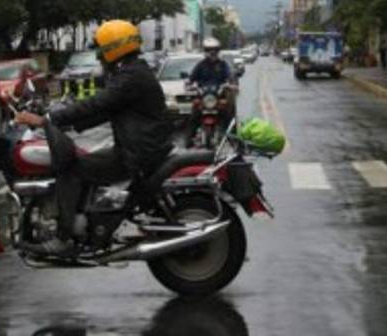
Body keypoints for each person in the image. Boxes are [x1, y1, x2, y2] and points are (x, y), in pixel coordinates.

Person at [14, 19, 172, 257]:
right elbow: (105, 110)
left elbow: (99, 102)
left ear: (114, 48)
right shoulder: (133, 71)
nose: (99, 55)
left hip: (137, 152)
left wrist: (49, 118)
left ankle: (64, 238)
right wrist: (64, 122)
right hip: (141, 147)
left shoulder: (131, 76)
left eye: (101, 49)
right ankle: (85, 222)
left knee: (72, 169)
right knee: (83, 160)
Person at [185, 37, 235, 145]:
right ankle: (188, 140)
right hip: (203, 96)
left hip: (219, 95)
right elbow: (192, 77)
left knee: (229, 115)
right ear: (205, 51)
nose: (212, 52)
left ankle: (234, 140)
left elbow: (229, 76)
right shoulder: (200, 65)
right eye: (209, 49)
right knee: (193, 116)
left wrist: (231, 84)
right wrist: (189, 83)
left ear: (218, 51)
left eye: (215, 49)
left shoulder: (223, 65)